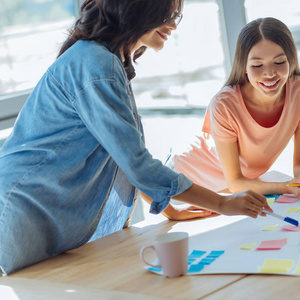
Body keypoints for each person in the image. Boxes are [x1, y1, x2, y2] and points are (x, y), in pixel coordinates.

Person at [0, 0, 271, 276]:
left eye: (176, 15)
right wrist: (222, 203)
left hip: (40, 214)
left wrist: (170, 210)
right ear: (135, 9)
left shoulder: (108, 60)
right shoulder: (97, 65)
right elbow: (136, 163)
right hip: (26, 213)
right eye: (166, 14)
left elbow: (123, 156)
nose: (173, 24)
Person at [172, 17, 300, 199]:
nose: (269, 73)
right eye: (257, 65)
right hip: (183, 181)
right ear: (244, 66)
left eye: (279, 62)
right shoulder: (224, 105)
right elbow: (235, 181)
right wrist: (289, 187)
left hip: (233, 191)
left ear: (291, 59)